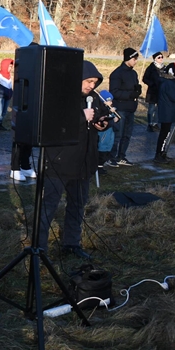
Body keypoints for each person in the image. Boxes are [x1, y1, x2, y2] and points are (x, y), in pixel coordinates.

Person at [39, 61, 110, 260]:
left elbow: (101, 116)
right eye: (88, 81)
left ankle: (72, 243)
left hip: (83, 163)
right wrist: (81, 116)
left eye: (95, 82)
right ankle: (40, 248)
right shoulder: (60, 97)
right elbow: (52, 125)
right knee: (49, 206)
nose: (91, 86)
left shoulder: (94, 98)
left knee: (77, 205)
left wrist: (102, 123)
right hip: (59, 162)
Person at [106, 48, 142, 166]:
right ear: (128, 58)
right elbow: (114, 92)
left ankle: (121, 156)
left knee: (127, 135)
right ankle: (111, 157)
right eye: (134, 59)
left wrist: (137, 91)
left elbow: (133, 89)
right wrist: (129, 94)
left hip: (131, 108)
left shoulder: (133, 73)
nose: (136, 61)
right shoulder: (117, 73)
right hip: (120, 108)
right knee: (118, 134)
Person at [94, 90, 118, 174]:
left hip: (110, 134)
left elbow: (115, 118)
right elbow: (102, 120)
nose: (111, 102)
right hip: (103, 135)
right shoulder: (102, 110)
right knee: (102, 150)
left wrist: (116, 118)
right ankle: (98, 167)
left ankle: (102, 164)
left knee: (108, 149)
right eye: (109, 101)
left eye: (111, 101)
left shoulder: (110, 109)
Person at [142, 52, 165, 132]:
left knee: (159, 108)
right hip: (152, 91)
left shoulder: (164, 68)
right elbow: (144, 78)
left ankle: (155, 123)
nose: (161, 59)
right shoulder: (151, 68)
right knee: (151, 108)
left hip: (161, 91)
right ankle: (150, 123)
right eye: (159, 57)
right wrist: (151, 84)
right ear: (155, 59)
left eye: (162, 57)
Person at [0, 58, 14, 131]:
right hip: (1, 96)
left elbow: (9, 85)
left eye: (11, 67)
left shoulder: (9, 76)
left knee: (4, 112)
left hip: (7, 96)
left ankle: (0, 123)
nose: (10, 68)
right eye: (9, 66)